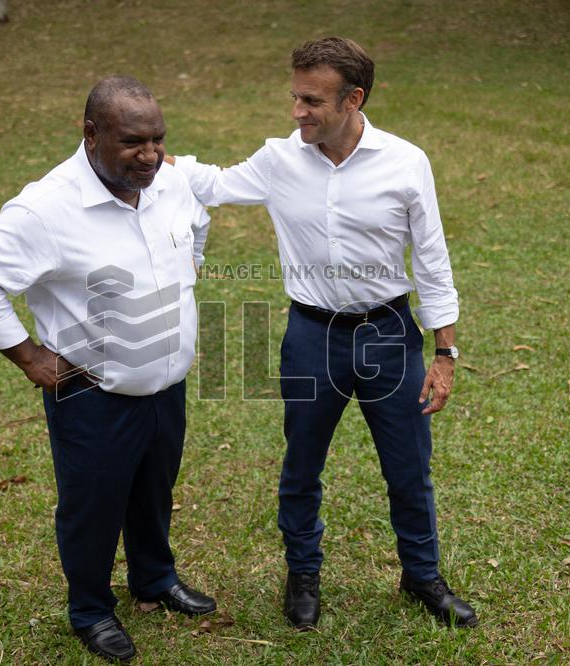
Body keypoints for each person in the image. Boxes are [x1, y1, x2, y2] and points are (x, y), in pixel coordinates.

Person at [170, 38, 478, 629]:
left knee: (409, 468)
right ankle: (303, 573)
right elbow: (211, 184)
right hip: (311, 336)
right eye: (294, 96)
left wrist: (444, 353)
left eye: (311, 100)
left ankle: (422, 577)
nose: (296, 112)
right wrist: (151, 155)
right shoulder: (278, 160)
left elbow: (433, 262)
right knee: (302, 465)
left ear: (353, 99)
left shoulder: (406, 162)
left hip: (388, 335)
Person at [0, 76, 216, 662]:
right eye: (133, 143)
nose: (150, 155)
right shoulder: (46, 209)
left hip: (166, 384)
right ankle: (91, 609)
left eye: (158, 140)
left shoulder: (167, 183)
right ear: (91, 134)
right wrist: (28, 355)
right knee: (93, 505)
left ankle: (155, 579)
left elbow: (196, 225)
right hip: (93, 393)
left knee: (153, 492)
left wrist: (189, 264)